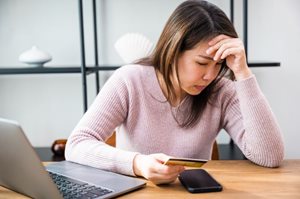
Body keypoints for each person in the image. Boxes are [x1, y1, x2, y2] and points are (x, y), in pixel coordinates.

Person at [65, 0, 284, 185]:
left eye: (219, 65)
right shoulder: (129, 80)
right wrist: (137, 164)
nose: (210, 75)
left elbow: (269, 156)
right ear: (173, 50)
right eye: (202, 62)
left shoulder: (221, 91)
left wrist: (243, 74)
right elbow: (77, 144)